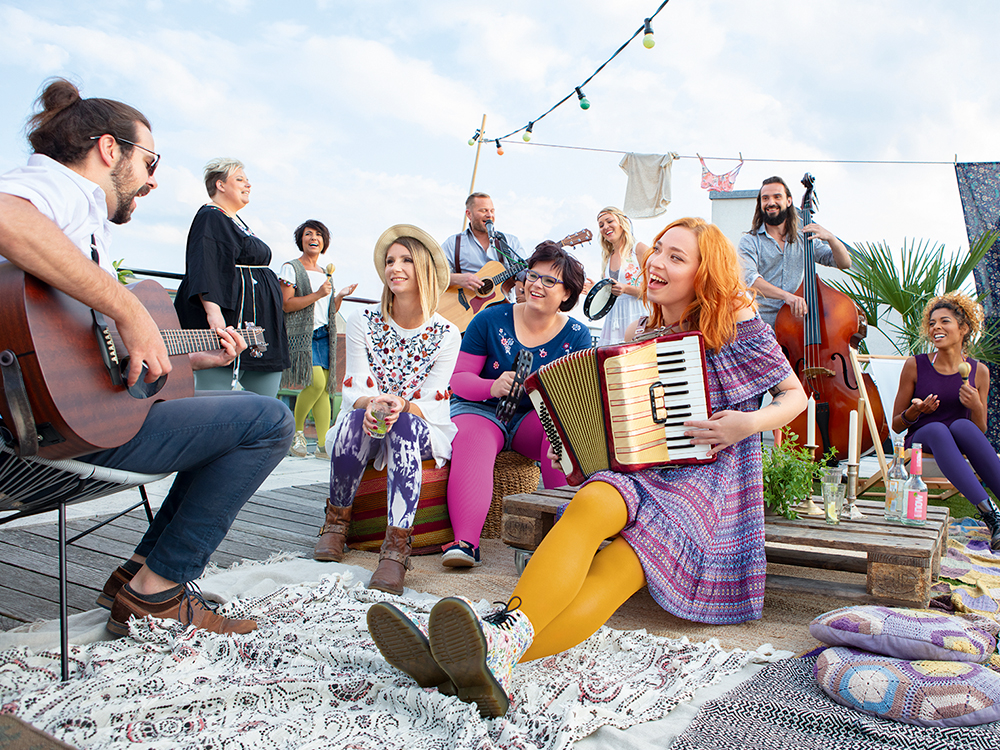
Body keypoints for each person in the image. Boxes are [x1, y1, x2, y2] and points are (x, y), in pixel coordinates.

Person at [368, 217, 807, 717]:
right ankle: (492, 649)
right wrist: (569, 448)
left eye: (676, 257)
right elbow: (618, 421)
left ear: (705, 273)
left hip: (709, 486)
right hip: (647, 473)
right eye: (658, 249)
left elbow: (794, 398)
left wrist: (743, 424)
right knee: (594, 498)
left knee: (614, 571)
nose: (657, 262)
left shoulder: (739, 325)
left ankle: (480, 658)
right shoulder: (644, 331)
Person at [0, 79, 294, 635]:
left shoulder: (83, 224)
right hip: (34, 441)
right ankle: (159, 591)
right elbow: (6, 216)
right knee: (270, 421)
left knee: (231, 417)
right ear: (109, 150)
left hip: (62, 423)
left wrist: (184, 355)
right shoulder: (59, 185)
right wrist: (133, 314)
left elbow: (93, 351)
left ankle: (142, 573)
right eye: (150, 161)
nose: (154, 180)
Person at [313, 224, 460, 595]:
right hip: (370, 413)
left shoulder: (447, 334)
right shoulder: (364, 322)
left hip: (421, 425)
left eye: (406, 260)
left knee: (404, 426)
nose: (395, 267)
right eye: (390, 260)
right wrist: (374, 403)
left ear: (424, 268)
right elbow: (357, 385)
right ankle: (336, 523)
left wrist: (403, 404)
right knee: (353, 420)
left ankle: (395, 550)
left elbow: (435, 401)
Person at [441, 241, 592, 567]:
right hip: (481, 408)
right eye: (533, 276)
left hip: (534, 416)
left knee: (560, 432)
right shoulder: (490, 319)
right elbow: (459, 380)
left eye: (550, 281)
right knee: (471, 438)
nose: (537, 285)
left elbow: (573, 399)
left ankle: (560, 541)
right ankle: (465, 544)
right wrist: (491, 385)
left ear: (567, 294)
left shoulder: (578, 335)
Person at [892, 292, 1000, 550]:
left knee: (961, 425)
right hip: (923, 438)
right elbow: (896, 425)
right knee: (939, 429)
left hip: (959, 440)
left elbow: (980, 429)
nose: (936, 328)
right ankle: (991, 516)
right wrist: (915, 412)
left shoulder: (979, 371)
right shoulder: (915, 365)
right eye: (932, 323)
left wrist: (975, 405)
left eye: (944, 321)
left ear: (963, 329)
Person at [174, 158, 290, 397]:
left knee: (266, 398)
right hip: (230, 321)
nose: (248, 185)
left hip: (259, 326)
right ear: (220, 185)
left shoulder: (235, 221)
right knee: (215, 393)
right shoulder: (211, 216)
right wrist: (213, 313)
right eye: (240, 179)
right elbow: (206, 264)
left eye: (248, 181)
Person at [279, 219, 357, 459]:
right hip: (302, 336)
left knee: (325, 391)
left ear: (324, 242)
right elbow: (286, 304)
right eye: (308, 234)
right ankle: (296, 433)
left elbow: (328, 310)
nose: (313, 238)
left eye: (318, 235)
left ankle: (323, 444)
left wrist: (339, 295)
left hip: (324, 334)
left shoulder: (326, 273)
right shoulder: (290, 268)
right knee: (316, 384)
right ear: (300, 240)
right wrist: (317, 294)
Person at [737, 176, 852, 328]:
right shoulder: (750, 241)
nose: (771, 203)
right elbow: (750, 280)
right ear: (760, 204)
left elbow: (844, 263)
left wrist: (831, 239)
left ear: (789, 201)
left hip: (795, 324)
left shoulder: (803, 239)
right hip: (761, 325)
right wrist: (787, 297)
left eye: (777, 197)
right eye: (765, 198)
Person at [582, 206, 649, 345]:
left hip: (637, 315)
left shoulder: (639, 249)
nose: (605, 227)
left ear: (622, 222)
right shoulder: (608, 257)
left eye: (609, 221)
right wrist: (597, 290)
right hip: (614, 320)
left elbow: (656, 290)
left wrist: (626, 289)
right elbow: (613, 292)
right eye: (601, 225)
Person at [441, 192, 525, 294]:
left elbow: (526, 275)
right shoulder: (453, 243)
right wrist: (457, 279)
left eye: (492, 211)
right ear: (469, 214)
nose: (489, 215)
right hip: (465, 307)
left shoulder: (511, 242)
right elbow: (433, 275)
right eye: (483, 210)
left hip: (503, 306)